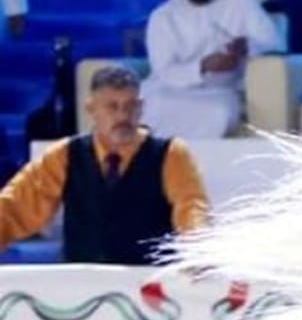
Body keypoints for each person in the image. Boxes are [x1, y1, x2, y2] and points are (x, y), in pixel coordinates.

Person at [0, 65, 208, 265]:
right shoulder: (64, 155)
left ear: (141, 107)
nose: (122, 116)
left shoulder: (171, 154)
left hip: (148, 285)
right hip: (82, 287)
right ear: (91, 108)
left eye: (130, 106)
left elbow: (191, 206)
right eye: (112, 106)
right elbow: (13, 207)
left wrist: (198, 250)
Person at [142, 0, 283, 140]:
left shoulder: (239, 2)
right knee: (152, 105)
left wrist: (247, 46)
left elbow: (274, 43)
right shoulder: (163, 16)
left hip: (220, 91)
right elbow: (163, 70)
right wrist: (202, 66)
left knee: (218, 113)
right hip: (172, 89)